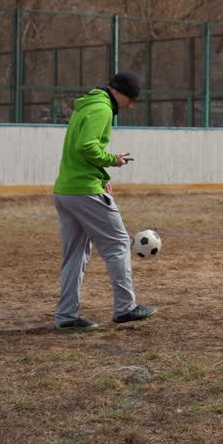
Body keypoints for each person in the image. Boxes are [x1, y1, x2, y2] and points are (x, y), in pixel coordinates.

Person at [52, 70, 157, 330]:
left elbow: (80, 150)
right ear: (119, 92)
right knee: (119, 243)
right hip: (84, 191)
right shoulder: (102, 108)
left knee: (75, 256)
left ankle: (66, 317)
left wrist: (101, 174)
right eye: (131, 99)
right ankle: (125, 308)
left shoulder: (87, 104)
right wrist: (112, 160)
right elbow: (87, 147)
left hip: (67, 188)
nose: (131, 105)